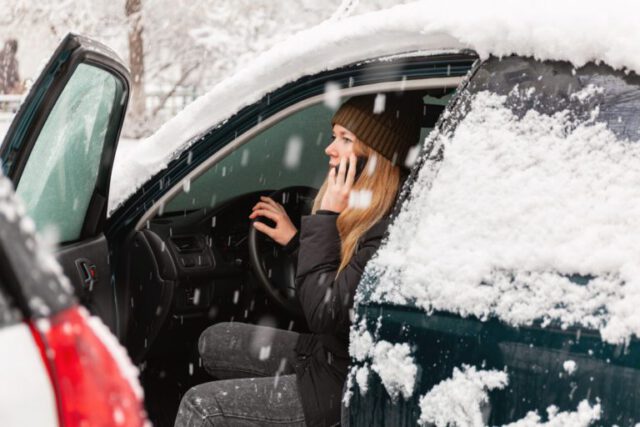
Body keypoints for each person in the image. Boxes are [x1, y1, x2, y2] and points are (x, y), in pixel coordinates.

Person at [174, 92, 423, 427]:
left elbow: (325, 313)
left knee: (201, 406)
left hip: (345, 383)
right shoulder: (370, 213)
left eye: (345, 139)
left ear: (375, 157)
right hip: (330, 355)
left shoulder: (387, 229)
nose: (329, 148)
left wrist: (325, 216)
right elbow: (341, 281)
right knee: (213, 340)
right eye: (334, 136)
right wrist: (294, 242)